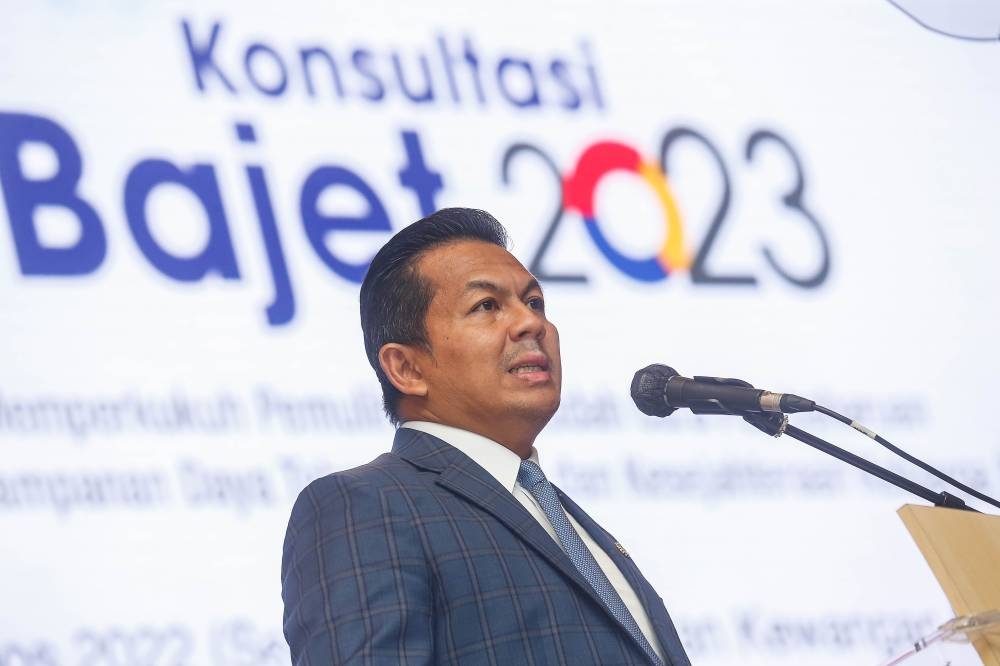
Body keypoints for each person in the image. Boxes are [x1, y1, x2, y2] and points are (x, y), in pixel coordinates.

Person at [281, 208, 691, 665]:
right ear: (407, 368)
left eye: (534, 302)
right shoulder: (364, 505)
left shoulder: (554, 513)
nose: (531, 323)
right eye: (487, 306)